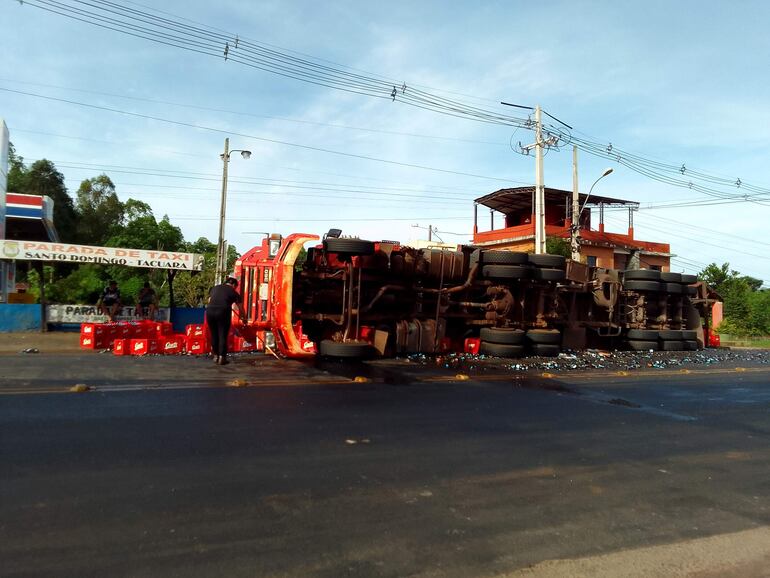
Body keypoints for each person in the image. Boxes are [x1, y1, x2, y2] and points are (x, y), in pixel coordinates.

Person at [206, 276, 247, 366]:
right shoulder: (234, 292)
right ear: (233, 285)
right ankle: (222, 358)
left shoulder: (214, 288)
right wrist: (244, 318)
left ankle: (215, 355)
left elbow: (209, 300)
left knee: (214, 334)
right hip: (223, 312)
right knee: (222, 335)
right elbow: (240, 308)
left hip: (210, 311)